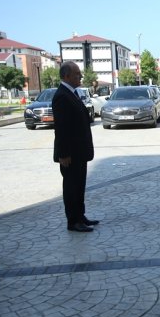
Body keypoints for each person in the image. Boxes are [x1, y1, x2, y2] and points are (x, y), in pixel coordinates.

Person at [52, 61, 97, 233]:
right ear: (67, 76)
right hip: (70, 154)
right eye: (77, 74)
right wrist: (63, 154)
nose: (80, 76)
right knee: (71, 187)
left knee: (79, 185)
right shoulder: (62, 96)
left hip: (79, 152)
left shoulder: (72, 93)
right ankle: (73, 221)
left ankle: (80, 216)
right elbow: (61, 128)